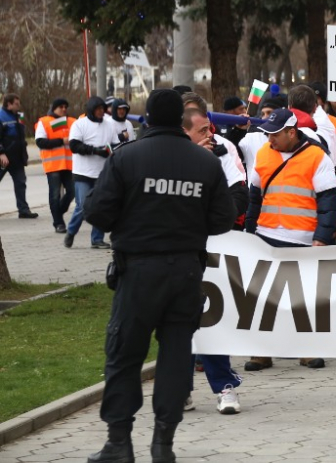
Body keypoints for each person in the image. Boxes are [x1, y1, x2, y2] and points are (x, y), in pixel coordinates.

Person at [83, 89, 236, 463]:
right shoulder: (205, 164)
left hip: (138, 272)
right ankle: (163, 444)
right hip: (185, 273)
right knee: (174, 356)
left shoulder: (127, 158)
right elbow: (222, 219)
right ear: (182, 120)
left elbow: (97, 213)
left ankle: (119, 443)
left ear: (147, 118)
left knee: (123, 356)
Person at [243, 109, 336, 372]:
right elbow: (254, 199)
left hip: (303, 239)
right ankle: (261, 352)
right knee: (263, 298)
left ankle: (307, 351)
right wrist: (248, 236)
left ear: (291, 132)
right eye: (267, 134)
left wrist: (321, 237)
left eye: (275, 134)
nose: (270, 139)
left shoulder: (317, 157)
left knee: (303, 298)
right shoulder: (263, 154)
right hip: (266, 236)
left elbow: (329, 203)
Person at [181, 108, 248, 414]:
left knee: (211, 320)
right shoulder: (168, 158)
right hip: (179, 253)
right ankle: (180, 388)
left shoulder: (222, 153)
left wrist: (217, 220)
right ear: (184, 132)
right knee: (179, 324)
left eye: (210, 129)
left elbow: (239, 195)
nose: (211, 135)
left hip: (214, 250)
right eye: (203, 131)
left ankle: (224, 386)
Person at [65, 96, 121, 249]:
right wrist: (95, 151)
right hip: (82, 173)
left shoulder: (109, 125)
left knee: (101, 207)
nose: (101, 112)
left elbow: (115, 144)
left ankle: (97, 239)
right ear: (90, 110)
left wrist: (111, 150)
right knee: (83, 206)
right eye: (97, 109)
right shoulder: (79, 124)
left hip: (102, 173)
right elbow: (74, 146)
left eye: (102, 109)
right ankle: (71, 232)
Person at [35, 98, 76, 232]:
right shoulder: (44, 121)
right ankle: (58, 223)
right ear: (54, 108)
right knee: (54, 195)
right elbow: (41, 142)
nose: (63, 109)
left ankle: (58, 212)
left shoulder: (72, 122)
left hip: (69, 165)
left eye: (65, 106)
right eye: (60, 107)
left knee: (72, 191)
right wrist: (61, 141)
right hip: (53, 165)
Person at [0, 93, 37, 219]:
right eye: (16, 104)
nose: (19, 106)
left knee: (21, 183)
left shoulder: (18, 116)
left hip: (17, 158)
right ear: (9, 104)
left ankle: (23, 210)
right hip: (3, 158)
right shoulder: (1, 116)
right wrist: (1, 153)